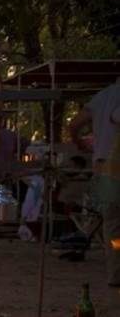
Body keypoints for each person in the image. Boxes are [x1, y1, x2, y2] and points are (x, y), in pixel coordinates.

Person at [68, 79, 120, 287]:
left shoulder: (102, 96)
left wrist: (78, 142)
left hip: (103, 164)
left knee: (113, 221)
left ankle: (115, 274)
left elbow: (74, 124)